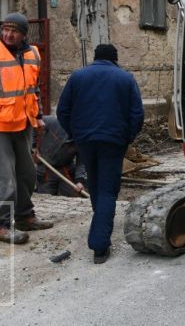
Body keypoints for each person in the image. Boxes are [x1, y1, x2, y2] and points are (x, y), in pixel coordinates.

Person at [0, 12, 54, 245]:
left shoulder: (33, 53)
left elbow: (33, 89)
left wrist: (39, 116)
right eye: (5, 29)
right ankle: (2, 226)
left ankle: (25, 217)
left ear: (24, 34)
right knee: (4, 178)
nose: (7, 34)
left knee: (26, 174)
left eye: (13, 31)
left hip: (23, 123)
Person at [57, 44, 143, 264]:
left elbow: (62, 111)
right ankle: (99, 245)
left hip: (85, 141)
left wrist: (75, 133)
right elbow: (137, 114)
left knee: (95, 184)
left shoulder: (77, 77)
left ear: (95, 58)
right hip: (113, 142)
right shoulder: (125, 79)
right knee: (107, 190)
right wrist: (128, 137)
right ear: (115, 59)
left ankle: (100, 225)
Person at [36, 115, 87, 197]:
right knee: (45, 199)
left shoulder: (83, 138)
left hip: (66, 170)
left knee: (71, 200)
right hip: (46, 169)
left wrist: (80, 180)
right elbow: (32, 126)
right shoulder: (51, 122)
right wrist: (33, 147)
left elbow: (82, 161)